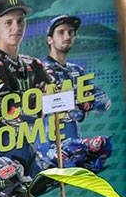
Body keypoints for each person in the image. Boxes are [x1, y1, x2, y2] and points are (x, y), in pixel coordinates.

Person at [0, 0, 53, 175]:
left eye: (20, 21)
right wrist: (37, 99)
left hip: (33, 147)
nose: (16, 27)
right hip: (0, 153)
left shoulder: (33, 64)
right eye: (8, 22)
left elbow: (58, 98)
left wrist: (35, 100)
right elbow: (10, 110)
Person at [40, 14, 111, 145]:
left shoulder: (77, 70)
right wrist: (77, 103)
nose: (67, 36)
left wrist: (88, 102)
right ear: (50, 39)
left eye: (70, 32)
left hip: (74, 143)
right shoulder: (38, 68)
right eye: (61, 32)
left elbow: (103, 101)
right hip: (47, 146)